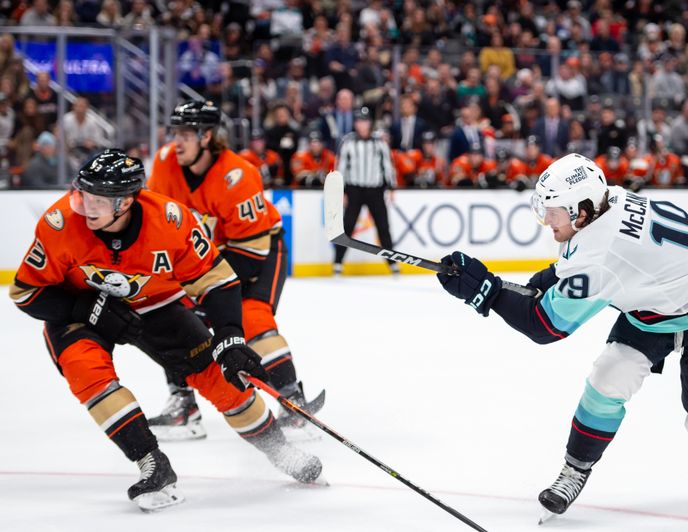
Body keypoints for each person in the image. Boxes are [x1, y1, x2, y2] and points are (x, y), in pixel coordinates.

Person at [435, 153, 688, 516]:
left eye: (553, 211)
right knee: (608, 377)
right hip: (661, 304)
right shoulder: (612, 199)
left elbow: (544, 327)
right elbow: (570, 267)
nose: (546, 220)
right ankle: (574, 471)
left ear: (579, 211)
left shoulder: (604, 255)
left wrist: (489, 293)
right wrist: (519, 288)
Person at [9, 149, 323, 510]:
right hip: (78, 309)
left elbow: (217, 280)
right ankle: (152, 464)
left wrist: (230, 337)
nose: (83, 205)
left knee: (220, 380)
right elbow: (26, 292)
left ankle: (279, 449)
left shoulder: (171, 221)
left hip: (155, 303)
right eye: (82, 194)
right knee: (86, 372)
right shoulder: (60, 223)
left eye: (96, 199)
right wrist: (87, 309)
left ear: (124, 202)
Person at [147, 101, 323, 440]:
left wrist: (205, 292)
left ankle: (292, 401)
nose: (176, 141)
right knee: (169, 315)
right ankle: (183, 404)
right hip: (203, 259)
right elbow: (156, 215)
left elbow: (250, 254)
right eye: (175, 133)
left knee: (253, 317)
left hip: (259, 252)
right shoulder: (166, 161)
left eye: (186, 134)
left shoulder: (238, 175)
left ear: (207, 136)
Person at [333, 106, 397, 275]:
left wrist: (391, 187)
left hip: (375, 190)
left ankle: (392, 263)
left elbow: (387, 165)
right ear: (355, 123)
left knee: (383, 227)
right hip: (354, 190)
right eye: (359, 121)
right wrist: (341, 191)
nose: (362, 125)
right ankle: (338, 262)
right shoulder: (348, 141)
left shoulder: (379, 142)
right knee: (347, 226)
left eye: (365, 121)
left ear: (370, 123)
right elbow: (341, 167)